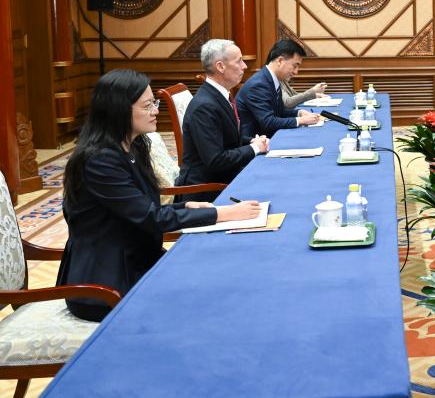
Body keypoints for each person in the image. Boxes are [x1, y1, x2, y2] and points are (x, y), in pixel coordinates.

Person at [57, 69, 261, 321]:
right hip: (104, 285)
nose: (156, 110)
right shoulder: (99, 160)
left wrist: (186, 207)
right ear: (118, 110)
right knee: (206, 300)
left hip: (137, 261)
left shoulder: (133, 146)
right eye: (147, 106)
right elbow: (150, 217)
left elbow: (142, 207)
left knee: (216, 276)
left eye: (154, 102)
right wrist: (222, 214)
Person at [176, 39, 270, 198]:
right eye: (239, 61)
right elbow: (216, 160)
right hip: (206, 191)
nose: (244, 66)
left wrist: (252, 141)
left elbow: (226, 138)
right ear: (220, 66)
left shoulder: (220, 95)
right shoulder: (204, 106)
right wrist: (254, 148)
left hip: (225, 178)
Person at [236, 39, 321, 138]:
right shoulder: (258, 84)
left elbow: (278, 112)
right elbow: (268, 122)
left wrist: (299, 113)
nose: (296, 72)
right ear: (280, 61)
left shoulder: (272, 79)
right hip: (255, 142)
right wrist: (301, 120)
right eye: (295, 66)